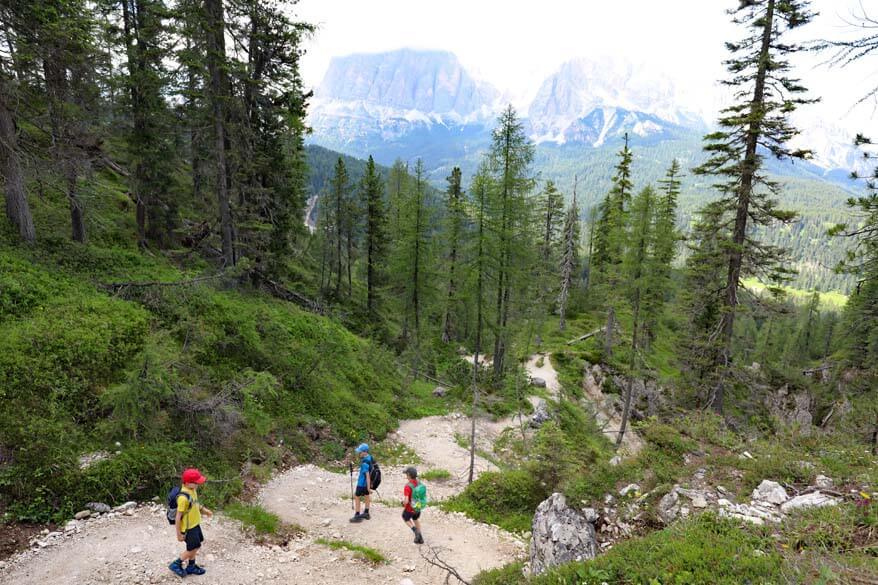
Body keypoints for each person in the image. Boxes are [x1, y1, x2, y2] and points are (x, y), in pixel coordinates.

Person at [168, 468, 214, 577]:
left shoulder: (192, 491)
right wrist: (179, 534)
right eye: (196, 483)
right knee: (192, 548)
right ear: (188, 483)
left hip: (195, 524)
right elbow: (178, 517)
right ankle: (176, 564)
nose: (198, 484)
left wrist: (204, 510)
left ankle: (191, 566)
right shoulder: (183, 498)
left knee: (196, 545)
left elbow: (195, 504)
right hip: (188, 528)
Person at [349, 443, 373, 522]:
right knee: (366, 495)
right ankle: (366, 513)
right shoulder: (369, 458)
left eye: (360, 452)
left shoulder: (365, 462)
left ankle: (357, 515)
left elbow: (367, 475)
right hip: (366, 483)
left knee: (356, 496)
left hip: (362, 483)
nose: (359, 453)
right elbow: (366, 470)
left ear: (365, 452)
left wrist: (368, 488)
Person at [401, 467, 424, 544]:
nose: (406, 476)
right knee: (415, 519)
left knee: (405, 517)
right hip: (418, 506)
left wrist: (403, 503)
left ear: (409, 475)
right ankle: (420, 538)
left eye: (406, 474)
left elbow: (406, 500)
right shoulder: (419, 483)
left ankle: (415, 531)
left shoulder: (407, 486)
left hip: (410, 508)